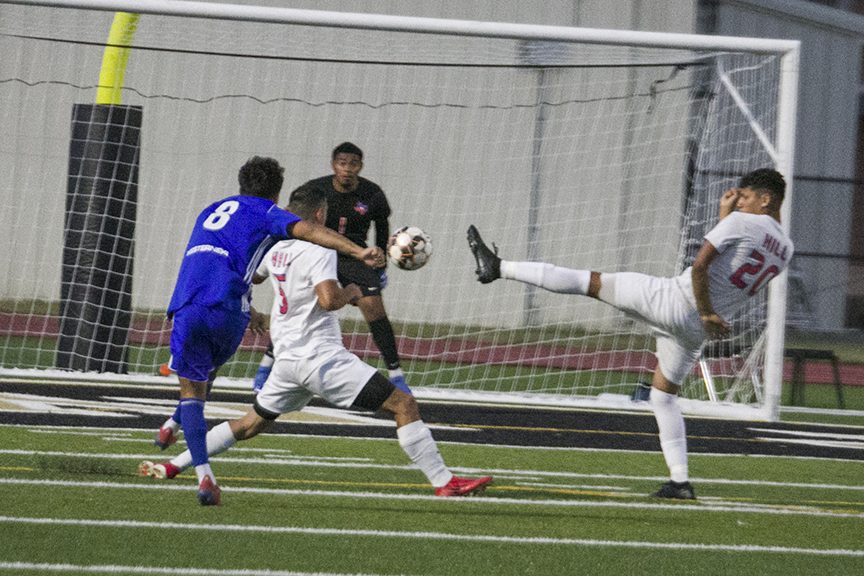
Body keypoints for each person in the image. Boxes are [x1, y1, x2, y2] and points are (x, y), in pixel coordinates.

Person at [141, 185, 493, 500]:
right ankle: (445, 481)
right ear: (320, 216)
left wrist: (255, 313)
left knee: (249, 425)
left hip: (287, 363)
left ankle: (174, 465)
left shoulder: (274, 250)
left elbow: (254, 277)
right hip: (319, 359)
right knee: (404, 405)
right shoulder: (319, 250)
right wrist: (352, 292)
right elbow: (328, 299)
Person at [466, 168, 793, 500]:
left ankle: (499, 268)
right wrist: (725, 222)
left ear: (765, 199)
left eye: (748, 197)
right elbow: (733, 265)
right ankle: (680, 483)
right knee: (664, 398)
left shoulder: (743, 222)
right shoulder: (785, 249)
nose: (741, 202)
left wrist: (709, 302)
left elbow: (700, 267)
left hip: (674, 301)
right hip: (697, 329)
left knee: (587, 282)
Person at [155, 157, 385, 506]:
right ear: (276, 193)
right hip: (232, 313)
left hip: (188, 302)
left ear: (240, 184)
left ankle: (202, 473)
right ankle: (173, 427)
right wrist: (358, 250)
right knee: (207, 372)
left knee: (192, 388)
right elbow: (310, 231)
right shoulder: (268, 213)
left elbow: (216, 259)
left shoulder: (210, 210)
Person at [252, 142, 410, 395]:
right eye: (342, 163)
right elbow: (295, 216)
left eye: (353, 164)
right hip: (316, 252)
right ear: (333, 165)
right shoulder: (316, 189)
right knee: (297, 303)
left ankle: (396, 374)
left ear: (361, 167)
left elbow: (382, 227)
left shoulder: (372, 194)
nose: (347, 169)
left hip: (354, 256)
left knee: (374, 306)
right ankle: (266, 365)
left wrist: (382, 262)